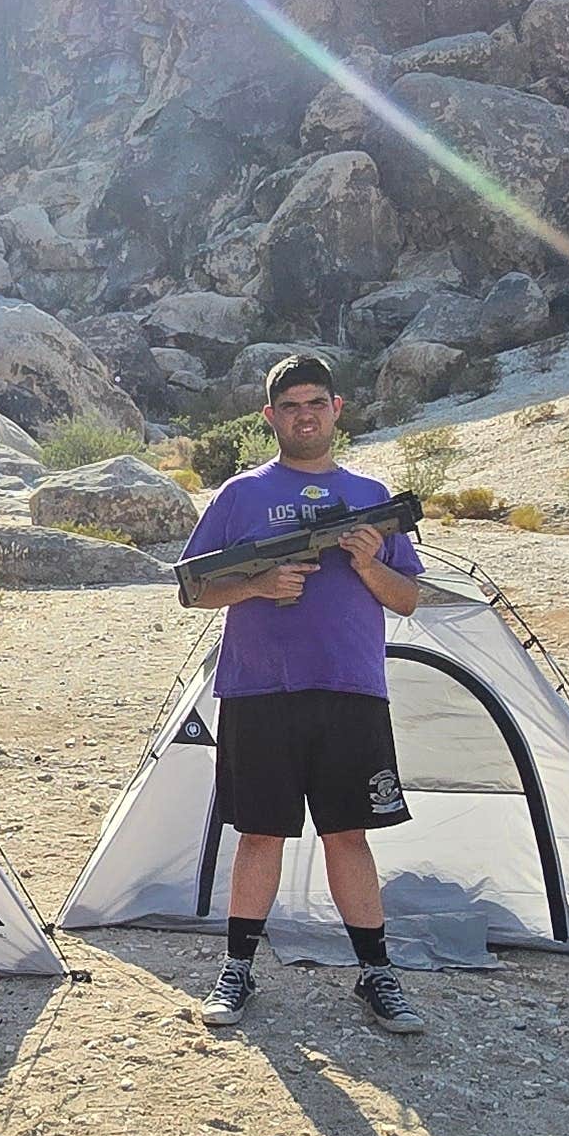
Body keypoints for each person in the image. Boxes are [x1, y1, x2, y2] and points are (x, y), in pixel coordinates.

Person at [176, 353, 430, 1033]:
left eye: (315, 403)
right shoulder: (240, 495)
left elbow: (408, 600)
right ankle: (237, 971)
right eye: (290, 406)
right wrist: (256, 587)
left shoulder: (373, 498)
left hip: (350, 688)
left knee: (350, 835)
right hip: (259, 690)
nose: (305, 415)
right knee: (261, 834)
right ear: (270, 417)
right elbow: (194, 587)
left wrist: (368, 561)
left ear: (337, 409)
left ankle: (378, 975)